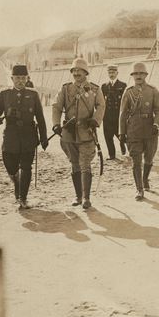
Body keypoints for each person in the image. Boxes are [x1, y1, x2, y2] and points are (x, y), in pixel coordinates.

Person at [0, 65, 48, 209]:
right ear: (12, 79)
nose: (20, 81)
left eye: (23, 78)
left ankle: (23, 199)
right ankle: (17, 182)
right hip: (11, 138)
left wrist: (43, 137)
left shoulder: (33, 95)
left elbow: (40, 118)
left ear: (27, 78)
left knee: (26, 168)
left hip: (28, 137)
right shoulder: (4, 94)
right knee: (11, 167)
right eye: (17, 78)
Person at [52, 58, 106, 209]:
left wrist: (95, 120)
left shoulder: (94, 89)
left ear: (85, 72)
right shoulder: (65, 89)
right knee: (75, 165)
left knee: (85, 164)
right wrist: (56, 124)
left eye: (79, 70)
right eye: (74, 71)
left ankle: (86, 198)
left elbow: (101, 105)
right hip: (69, 134)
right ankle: (78, 196)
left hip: (87, 132)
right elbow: (56, 106)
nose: (76, 73)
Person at [119, 62, 159, 200]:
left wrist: (157, 124)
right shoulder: (128, 92)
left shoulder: (153, 90)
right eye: (135, 74)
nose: (138, 76)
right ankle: (139, 189)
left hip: (150, 130)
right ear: (132, 76)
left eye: (141, 73)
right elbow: (123, 114)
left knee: (149, 158)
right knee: (136, 161)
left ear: (145, 75)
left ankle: (145, 179)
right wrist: (122, 132)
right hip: (134, 130)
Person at [101, 64, 127, 160]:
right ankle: (111, 155)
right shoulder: (104, 86)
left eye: (113, 72)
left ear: (117, 73)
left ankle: (122, 144)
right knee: (108, 136)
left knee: (121, 134)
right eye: (109, 72)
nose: (111, 74)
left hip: (118, 115)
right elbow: (101, 101)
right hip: (107, 115)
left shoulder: (123, 85)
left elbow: (125, 101)